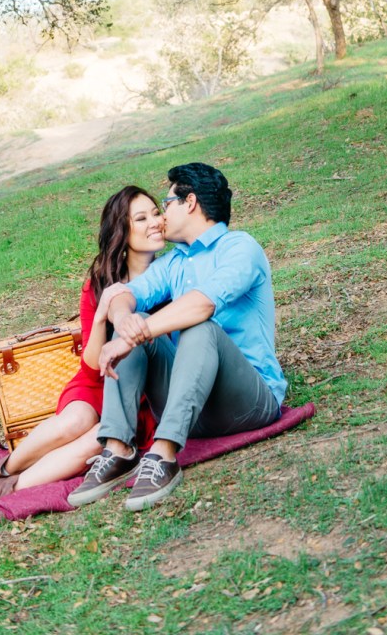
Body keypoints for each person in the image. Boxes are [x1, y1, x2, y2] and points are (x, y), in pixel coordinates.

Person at [67, 162, 286, 513]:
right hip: (192, 408)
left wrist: (130, 338)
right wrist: (124, 322)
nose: (161, 216)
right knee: (138, 318)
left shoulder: (239, 248)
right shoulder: (173, 263)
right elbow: (124, 295)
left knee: (200, 328)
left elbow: (201, 305)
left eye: (166, 204)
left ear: (191, 202)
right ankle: (118, 449)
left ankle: (164, 456)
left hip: (250, 402)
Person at [0, 185, 165, 517]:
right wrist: (104, 311)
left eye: (157, 213)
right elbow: (91, 366)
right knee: (74, 420)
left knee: (98, 441)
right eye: (142, 218)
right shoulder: (99, 282)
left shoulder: (172, 274)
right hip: (97, 382)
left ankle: (6, 489)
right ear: (122, 230)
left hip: (141, 392)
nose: (156, 222)